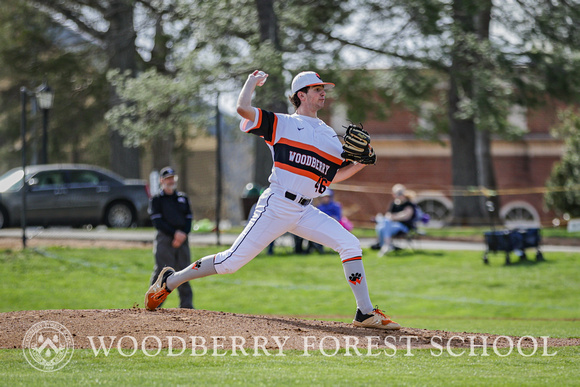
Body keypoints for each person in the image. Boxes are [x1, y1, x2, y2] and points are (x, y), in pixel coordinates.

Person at [145, 70, 400, 330]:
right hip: (276, 205)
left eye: (323, 88)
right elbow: (243, 108)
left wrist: (360, 163)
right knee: (230, 263)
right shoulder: (282, 123)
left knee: (350, 244)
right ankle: (171, 281)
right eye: (316, 89)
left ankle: (365, 312)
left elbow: (333, 176)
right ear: (301, 95)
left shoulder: (329, 136)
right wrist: (251, 82)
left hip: (304, 210)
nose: (323, 92)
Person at [148, 166, 194, 309]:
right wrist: (175, 234)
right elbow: (157, 221)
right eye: (167, 178)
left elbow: (189, 218)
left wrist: (182, 235)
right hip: (165, 238)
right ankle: (154, 303)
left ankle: (187, 306)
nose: (170, 181)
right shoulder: (157, 199)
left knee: (185, 271)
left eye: (172, 178)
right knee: (163, 271)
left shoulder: (182, 198)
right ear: (162, 181)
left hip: (182, 239)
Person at [373, 184, 417, 256]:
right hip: (391, 225)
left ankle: (386, 245)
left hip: (404, 226)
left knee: (385, 224)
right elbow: (388, 215)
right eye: (397, 193)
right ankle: (385, 245)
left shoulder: (409, 204)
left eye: (400, 193)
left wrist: (394, 217)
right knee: (380, 227)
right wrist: (394, 217)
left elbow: (406, 216)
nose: (399, 195)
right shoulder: (394, 203)